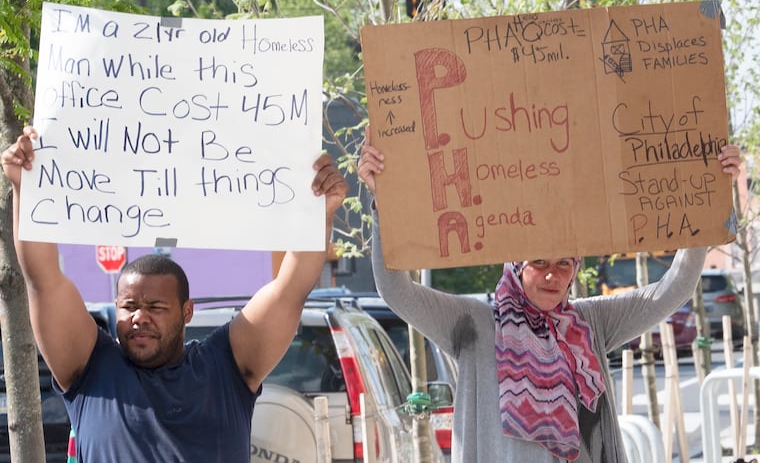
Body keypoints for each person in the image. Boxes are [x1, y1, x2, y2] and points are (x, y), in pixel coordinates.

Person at [358, 133, 742, 463]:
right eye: (538, 262)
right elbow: (395, 291)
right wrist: (383, 204)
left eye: (563, 264)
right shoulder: (473, 323)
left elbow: (670, 291)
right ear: (515, 265)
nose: (551, 275)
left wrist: (706, 197)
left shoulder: (591, 322)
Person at [2, 126, 348, 462]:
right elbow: (43, 279)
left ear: (187, 311)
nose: (140, 316)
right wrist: (26, 187)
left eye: (155, 306)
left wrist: (319, 213)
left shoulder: (225, 366)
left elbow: (290, 290)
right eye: (129, 306)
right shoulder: (90, 367)